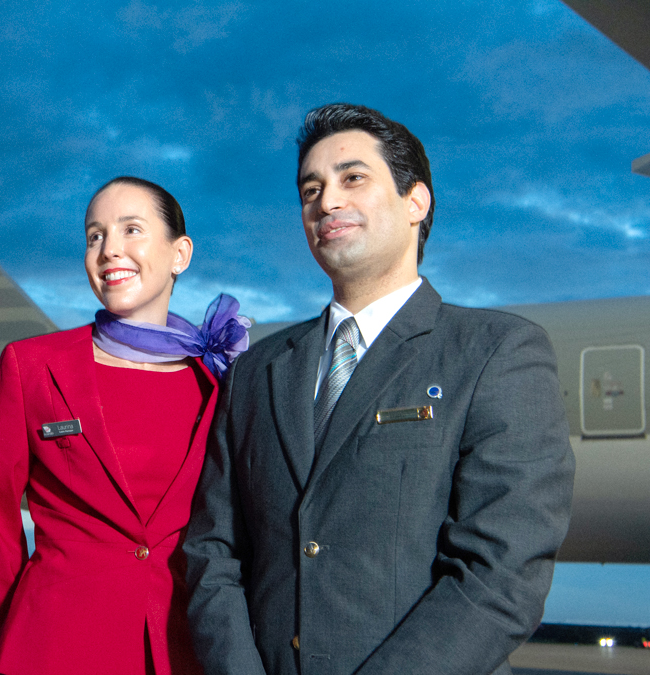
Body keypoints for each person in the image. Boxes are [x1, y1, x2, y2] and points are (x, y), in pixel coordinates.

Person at [184, 104, 575, 675]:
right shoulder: (255, 372)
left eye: (353, 178)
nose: (327, 202)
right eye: (310, 189)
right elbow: (213, 552)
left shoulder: (497, 351)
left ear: (417, 202)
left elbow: (501, 572)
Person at [0, 176, 251, 675]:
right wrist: (18, 629)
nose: (109, 250)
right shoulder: (31, 366)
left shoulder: (221, 383)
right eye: (95, 236)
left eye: (131, 230)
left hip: (185, 648)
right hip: (55, 646)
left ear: (179, 253)